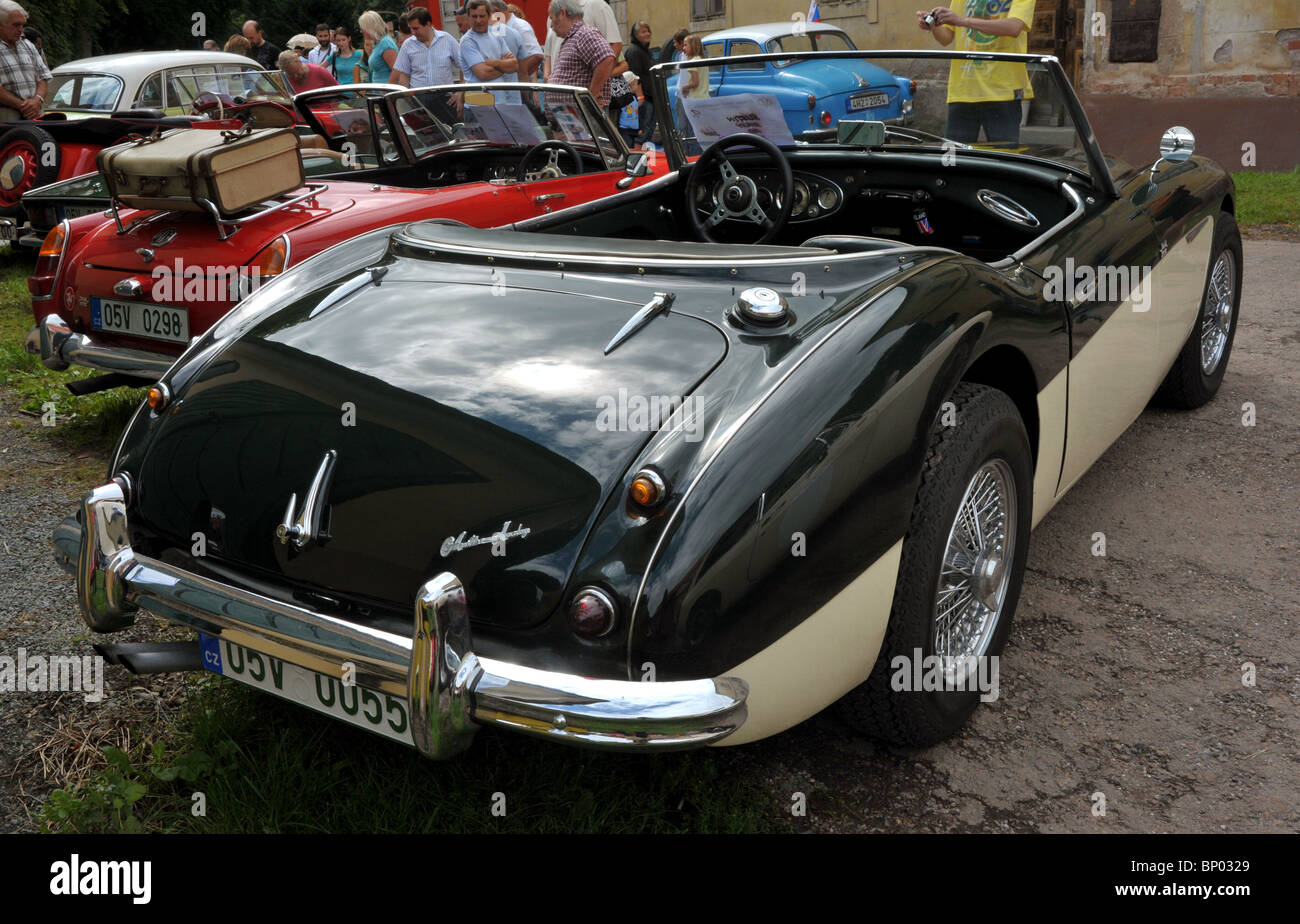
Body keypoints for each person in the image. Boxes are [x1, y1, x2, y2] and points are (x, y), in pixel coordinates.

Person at [918, 3, 1034, 144]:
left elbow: (1014, 27)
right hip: (963, 89)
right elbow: (946, 38)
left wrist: (961, 21)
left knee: (1003, 160)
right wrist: (933, 26)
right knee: (953, 160)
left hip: (1003, 90)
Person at [548, 0, 613, 108]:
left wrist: (591, 96)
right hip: (573, 119)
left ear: (563, 13)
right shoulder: (574, 37)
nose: (551, 25)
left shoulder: (584, 33)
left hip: (585, 118)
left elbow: (606, 58)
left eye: (552, 18)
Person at [544, 0, 618, 80]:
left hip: (582, 88)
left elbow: (614, 46)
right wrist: (548, 78)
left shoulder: (598, 5)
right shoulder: (553, 15)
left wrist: (594, 87)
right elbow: (549, 53)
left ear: (563, 13)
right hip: (559, 88)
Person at [0, 2, 49, 122]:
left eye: (22, 25)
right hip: (6, 114)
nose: (21, 30)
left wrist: (37, 100)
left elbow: (43, 76)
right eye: (16, 25)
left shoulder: (28, 45)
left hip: (35, 111)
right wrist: (24, 106)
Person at [393, 6, 461, 88]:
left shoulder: (447, 39)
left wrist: (459, 91)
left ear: (428, 24)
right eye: (411, 28)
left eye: (416, 28)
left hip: (445, 96)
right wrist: (408, 98)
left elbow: (464, 65)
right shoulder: (407, 45)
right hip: (419, 98)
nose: (413, 32)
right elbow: (404, 75)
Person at [460, 0, 521, 91]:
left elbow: (515, 65)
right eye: (474, 16)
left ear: (489, 16)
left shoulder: (497, 36)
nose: (478, 20)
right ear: (468, 17)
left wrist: (495, 63)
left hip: (500, 101)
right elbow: (483, 74)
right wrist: (504, 66)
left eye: (482, 16)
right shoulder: (467, 40)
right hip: (479, 102)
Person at [490, 0, 542, 81]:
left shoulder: (520, 27)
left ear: (496, 12)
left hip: (515, 89)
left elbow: (537, 55)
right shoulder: (499, 27)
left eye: (485, 15)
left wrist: (515, 77)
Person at [623, 21, 656, 147]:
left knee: (647, 131)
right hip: (643, 100)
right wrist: (640, 97)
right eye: (643, 31)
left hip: (651, 98)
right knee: (640, 134)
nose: (647, 34)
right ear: (636, 35)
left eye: (648, 31)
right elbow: (633, 77)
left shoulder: (646, 51)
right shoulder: (634, 51)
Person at [676, 34, 707, 155]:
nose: (683, 48)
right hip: (703, 98)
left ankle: (692, 156)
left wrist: (684, 87)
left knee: (691, 131)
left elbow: (695, 82)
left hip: (694, 99)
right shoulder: (701, 59)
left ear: (692, 46)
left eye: (685, 45)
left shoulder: (692, 62)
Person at [359, 11, 398, 84]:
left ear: (370, 28)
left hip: (386, 92)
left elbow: (397, 71)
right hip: (380, 91)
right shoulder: (378, 42)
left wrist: (387, 90)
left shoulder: (385, 43)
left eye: (363, 28)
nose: (361, 31)